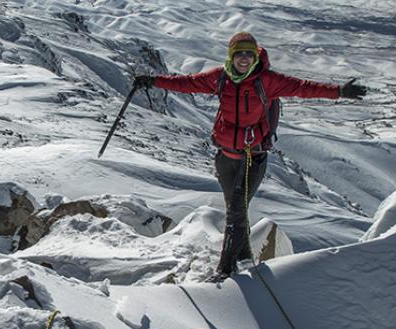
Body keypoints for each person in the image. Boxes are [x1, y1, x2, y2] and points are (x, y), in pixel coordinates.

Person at [134, 31, 367, 281]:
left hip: (251, 158)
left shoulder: (266, 80)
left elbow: (302, 88)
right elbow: (186, 82)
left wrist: (340, 91)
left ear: (255, 56)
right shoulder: (220, 78)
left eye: (249, 53)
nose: (244, 58)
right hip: (224, 157)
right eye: (239, 53)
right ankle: (245, 257)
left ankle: (224, 270)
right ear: (231, 56)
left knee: (235, 210)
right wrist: (152, 81)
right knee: (236, 210)